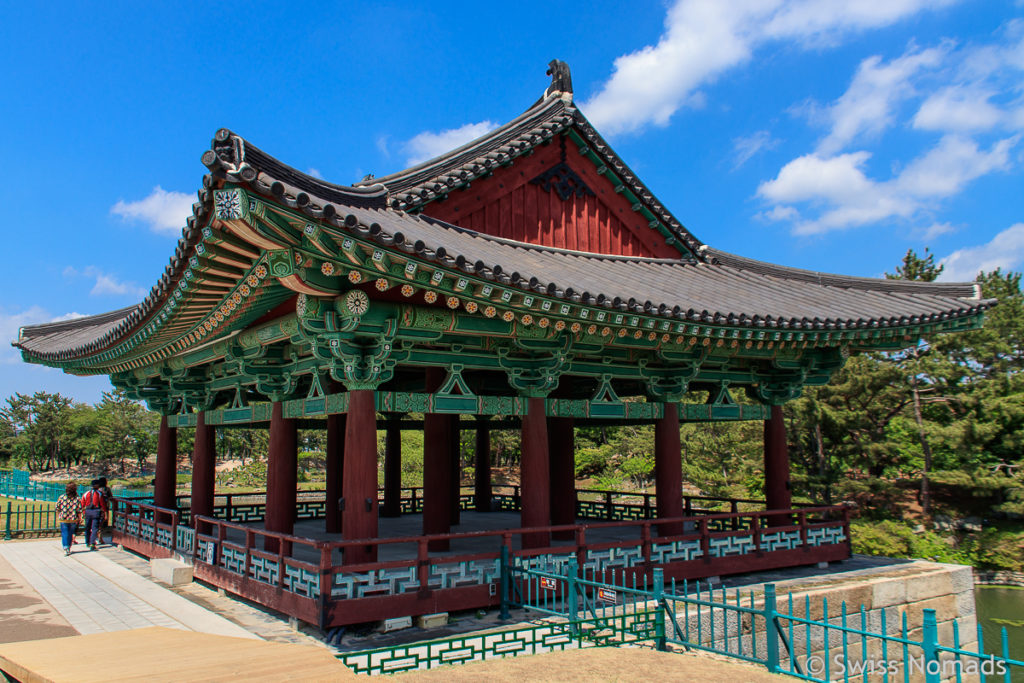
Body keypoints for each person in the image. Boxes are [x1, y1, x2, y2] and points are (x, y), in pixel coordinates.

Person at [56, 483, 82, 556]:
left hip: (63, 518)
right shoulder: (77, 498)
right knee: (70, 533)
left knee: (64, 533)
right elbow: (79, 509)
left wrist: (59, 514)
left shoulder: (62, 497)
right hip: (73, 518)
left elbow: (57, 507)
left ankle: (65, 547)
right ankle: (68, 547)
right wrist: (80, 518)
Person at [80, 479, 107, 551]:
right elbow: (102, 504)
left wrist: (82, 513)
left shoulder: (86, 494)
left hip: (88, 511)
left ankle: (87, 542)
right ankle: (92, 543)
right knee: (94, 528)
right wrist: (105, 512)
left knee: (87, 527)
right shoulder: (99, 494)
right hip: (96, 511)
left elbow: (82, 504)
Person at [96, 476, 112, 545]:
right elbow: (111, 497)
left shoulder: (97, 489)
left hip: (97, 507)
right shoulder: (107, 489)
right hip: (105, 507)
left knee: (97, 523)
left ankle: (98, 536)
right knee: (103, 523)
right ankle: (100, 537)